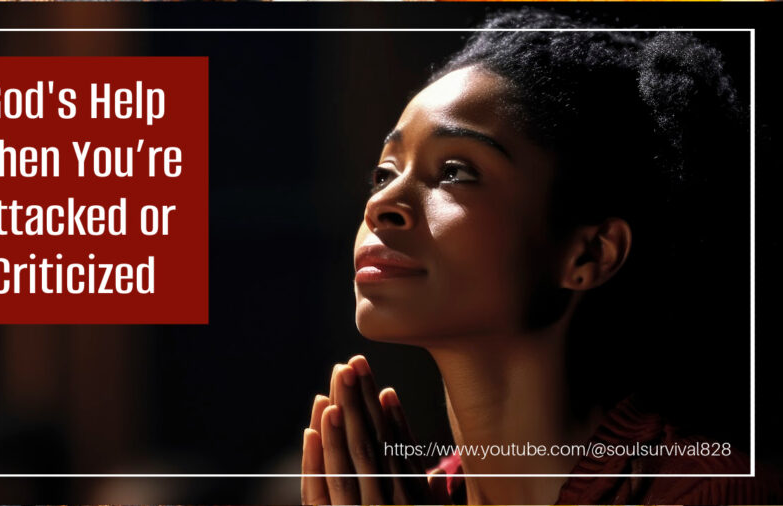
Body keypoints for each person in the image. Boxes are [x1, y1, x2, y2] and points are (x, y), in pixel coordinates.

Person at [299, 8, 780, 505]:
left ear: (589, 253)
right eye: (384, 173)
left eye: (455, 172)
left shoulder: (717, 492)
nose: (381, 204)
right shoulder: (422, 493)